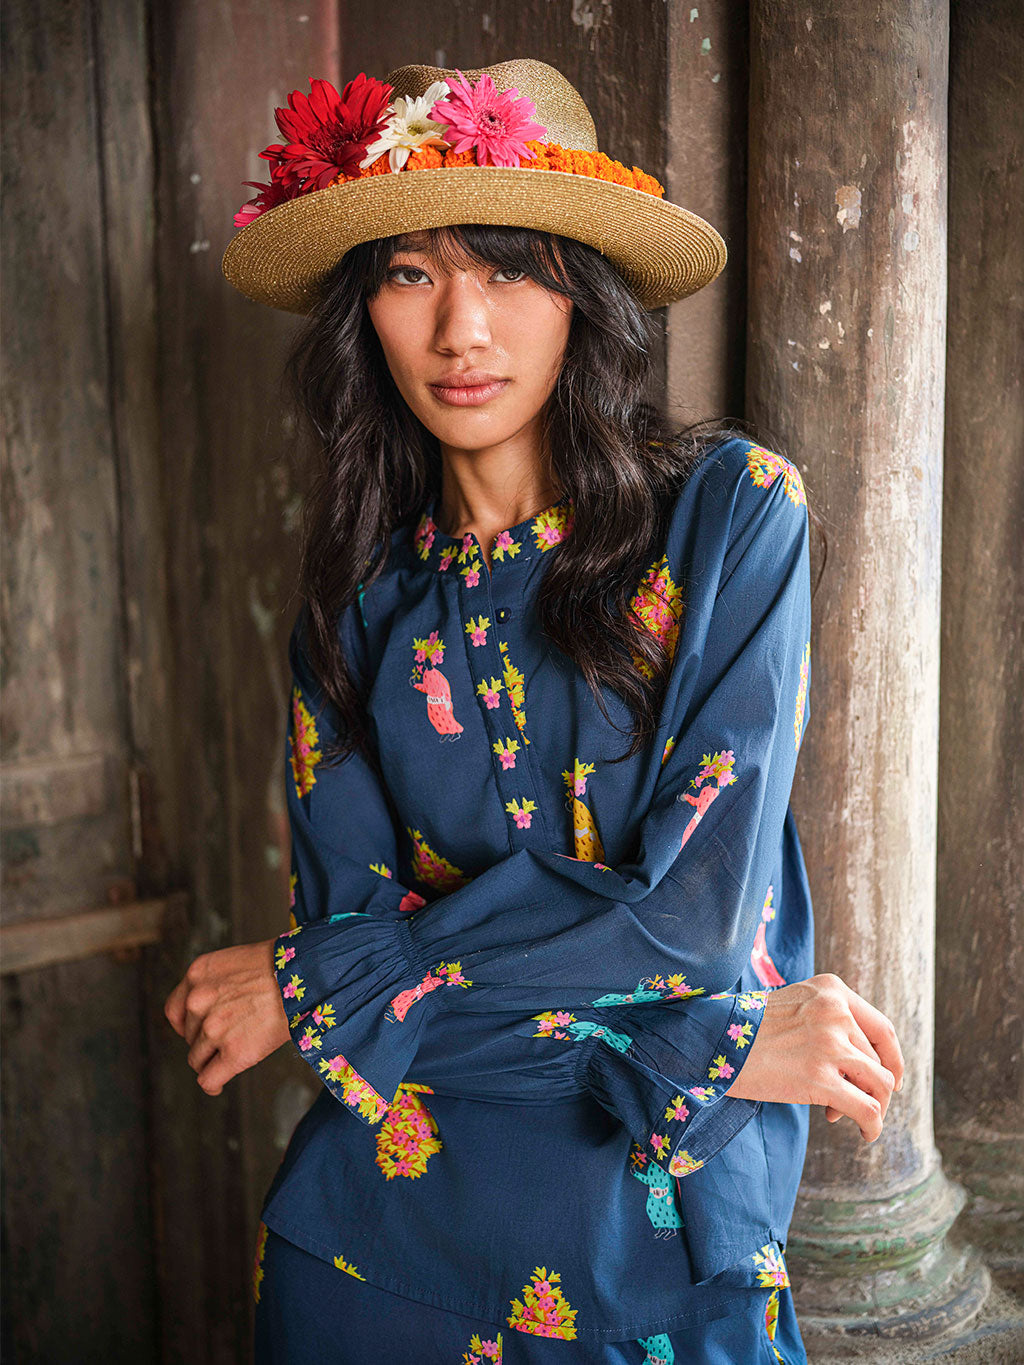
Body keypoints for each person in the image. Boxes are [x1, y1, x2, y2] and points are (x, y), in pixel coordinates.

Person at [165, 59, 904, 1362]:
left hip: (655, 1244)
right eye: (411, 274)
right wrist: (710, 1044)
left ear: (583, 294)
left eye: (509, 271)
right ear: (363, 312)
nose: (462, 329)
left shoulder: (732, 520)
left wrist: (329, 988)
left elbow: (689, 927)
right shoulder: (353, 606)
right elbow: (353, 961)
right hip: (367, 1251)